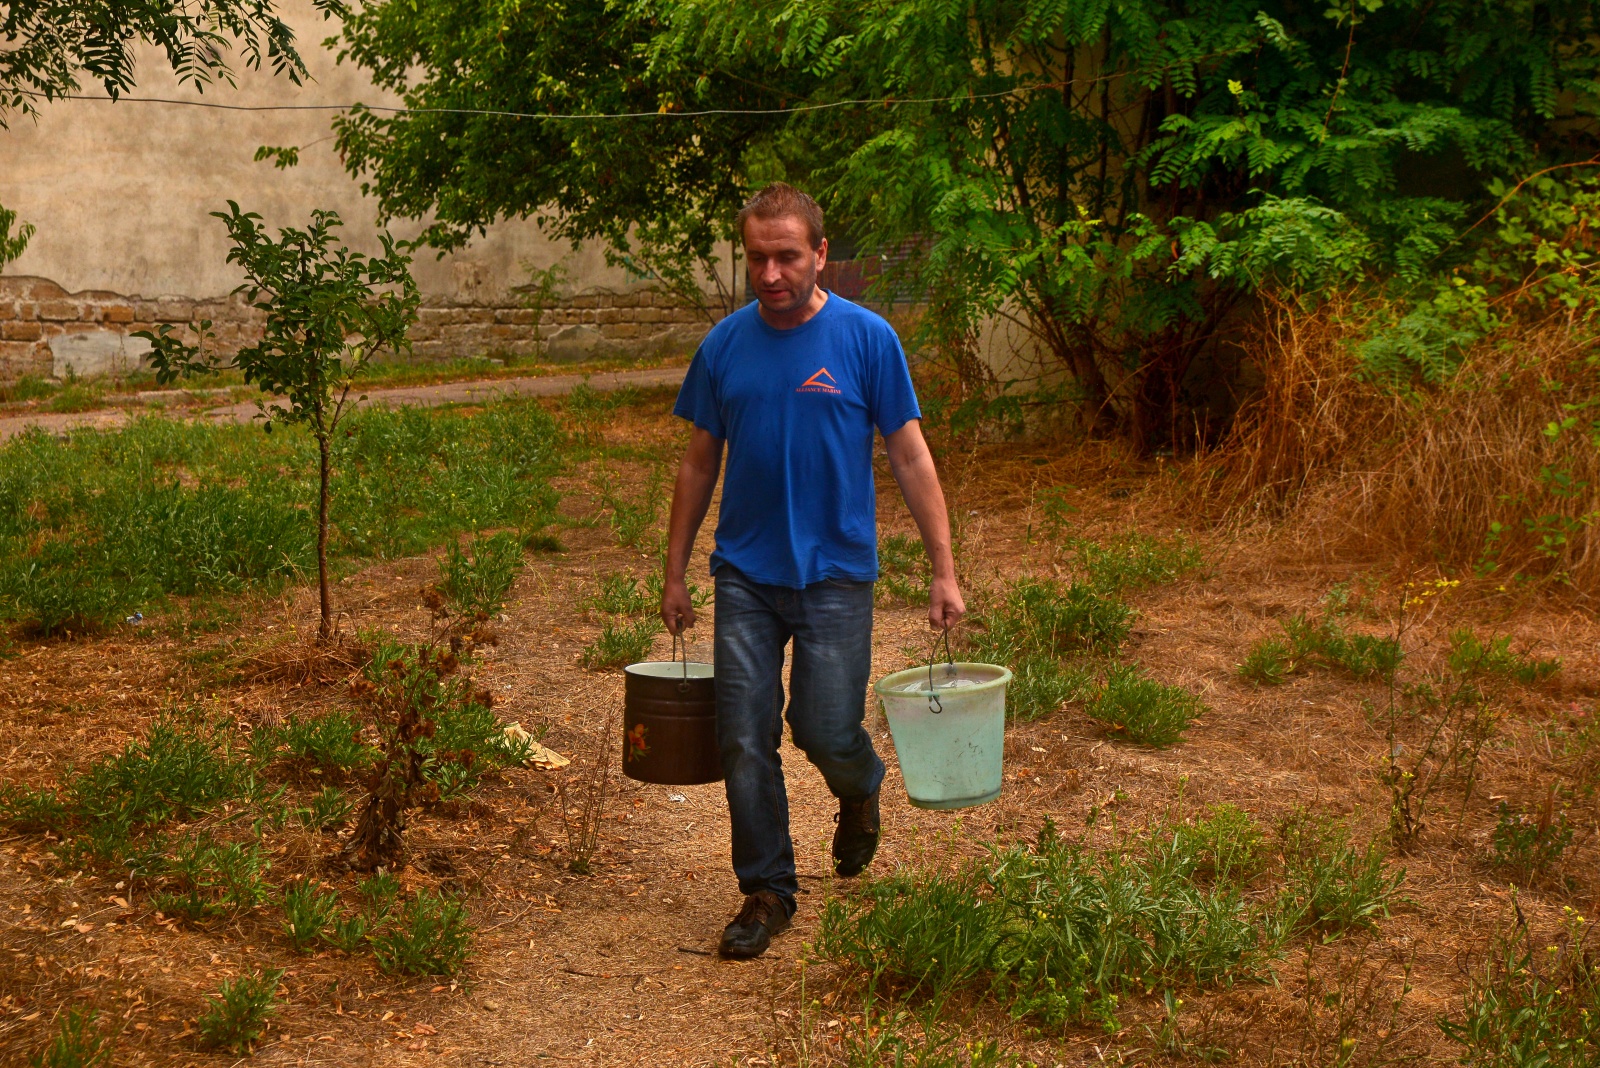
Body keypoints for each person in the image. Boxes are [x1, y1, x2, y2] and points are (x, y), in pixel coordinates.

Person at [659, 182, 966, 959]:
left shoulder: (868, 340)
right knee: (743, 735)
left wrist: (943, 568)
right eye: (757, 258)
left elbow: (909, 454)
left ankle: (860, 788)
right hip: (745, 577)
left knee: (822, 728)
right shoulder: (724, 346)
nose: (769, 273)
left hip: (834, 575)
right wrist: (674, 572)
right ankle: (767, 890)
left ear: (820, 254)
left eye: (787, 256)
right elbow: (698, 466)